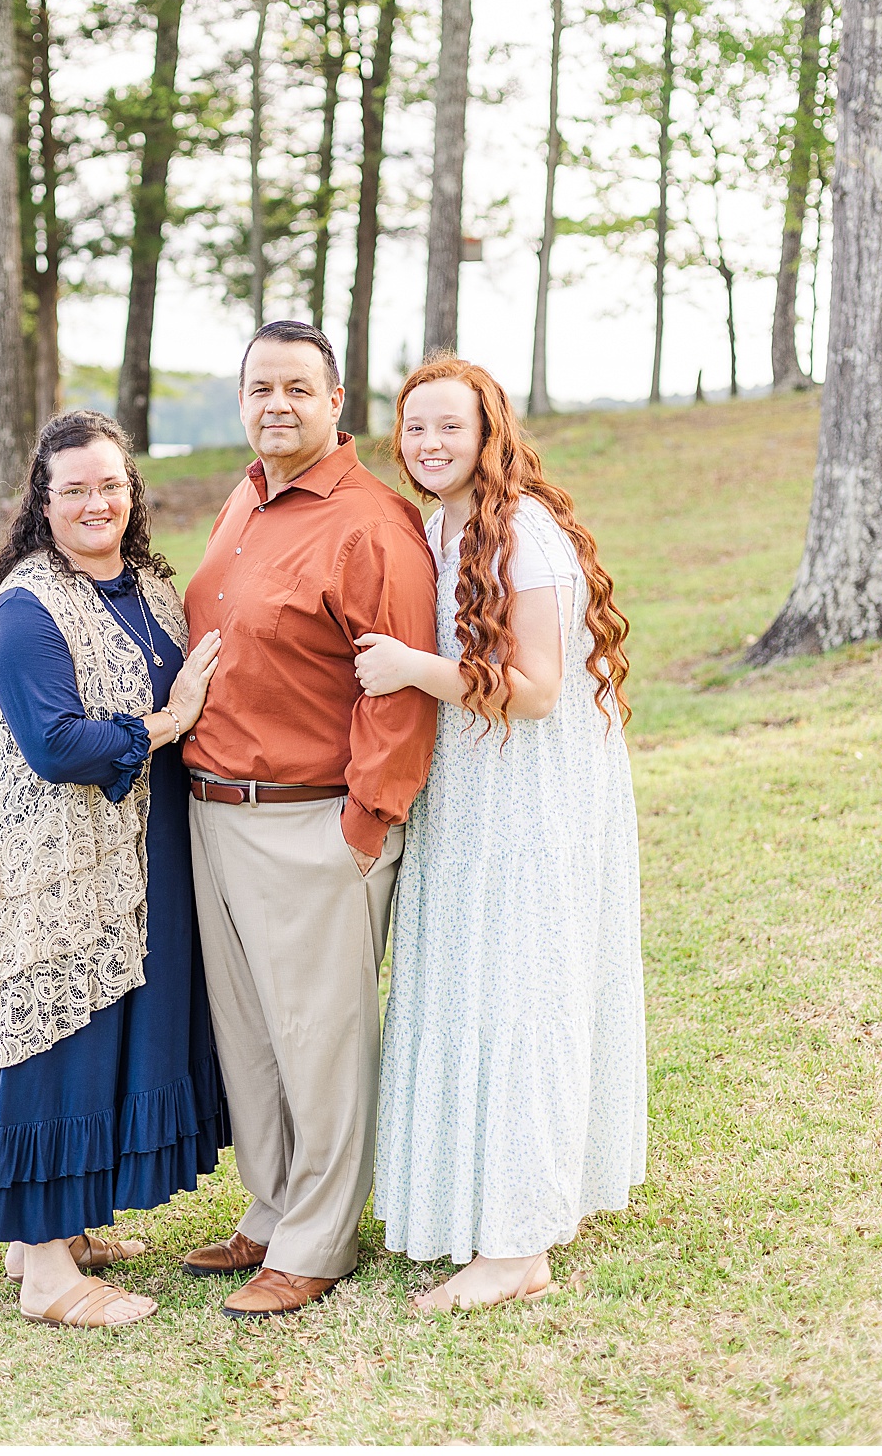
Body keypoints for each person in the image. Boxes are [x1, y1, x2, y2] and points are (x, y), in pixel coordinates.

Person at [0, 410, 227, 1330]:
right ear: (43, 503)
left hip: (139, 853)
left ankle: (52, 1232)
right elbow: (56, 747)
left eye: (111, 484)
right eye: (75, 489)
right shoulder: (26, 607)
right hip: (50, 866)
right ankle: (50, 1281)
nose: (97, 502)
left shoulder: (148, 588)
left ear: (131, 491)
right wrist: (167, 724)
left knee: (104, 1044)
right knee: (53, 1046)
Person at [361, 356, 647, 1311]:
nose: (428, 444)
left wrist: (411, 666)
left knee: (522, 991)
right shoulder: (438, 527)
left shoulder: (522, 531)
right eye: (413, 427)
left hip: (527, 788)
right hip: (469, 787)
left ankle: (519, 1247)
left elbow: (536, 693)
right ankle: (483, 1201)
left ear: (490, 434)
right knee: (469, 984)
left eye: (449, 426)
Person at [180, 321, 439, 1320]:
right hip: (218, 811)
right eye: (259, 386)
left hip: (316, 819)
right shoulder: (246, 495)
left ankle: (319, 1239)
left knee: (320, 1037)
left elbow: (399, 687)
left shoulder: (373, 522)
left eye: (297, 387)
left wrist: (366, 822)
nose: (276, 403)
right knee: (251, 1034)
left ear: (337, 401)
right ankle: (272, 1204)